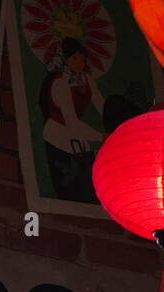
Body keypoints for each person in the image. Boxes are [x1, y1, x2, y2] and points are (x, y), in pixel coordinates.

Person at [40, 37, 106, 201]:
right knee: (70, 189)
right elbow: (72, 123)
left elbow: (101, 104)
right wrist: (101, 137)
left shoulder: (86, 79)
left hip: (80, 140)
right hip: (59, 138)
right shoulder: (60, 83)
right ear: (65, 59)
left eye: (82, 59)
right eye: (75, 58)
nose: (79, 63)